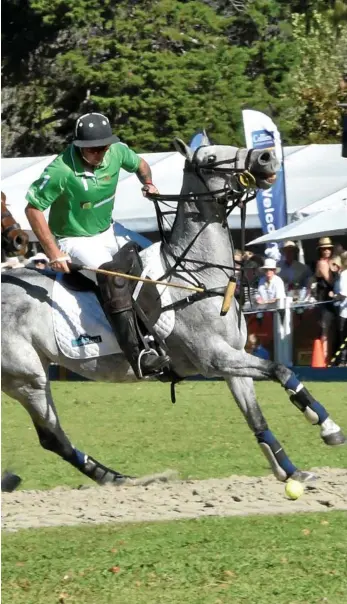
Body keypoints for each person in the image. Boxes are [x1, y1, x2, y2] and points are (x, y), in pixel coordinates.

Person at [25, 112, 169, 378]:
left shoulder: (116, 152)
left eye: (104, 147)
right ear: (79, 146)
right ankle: (137, 354)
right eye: (93, 149)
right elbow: (33, 209)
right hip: (75, 239)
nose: (100, 154)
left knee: (156, 257)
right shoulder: (61, 170)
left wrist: (148, 183)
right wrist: (54, 253)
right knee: (113, 278)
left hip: (110, 229)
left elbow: (141, 164)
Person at [314, 236, 335, 362]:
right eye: (324, 249)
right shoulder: (322, 263)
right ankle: (324, 359)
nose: (327, 250)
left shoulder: (330, 262)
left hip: (332, 301)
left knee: (331, 331)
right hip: (324, 301)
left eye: (329, 248)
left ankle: (329, 357)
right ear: (320, 250)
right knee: (325, 332)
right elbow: (331, 281)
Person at [329, 253, 347, 366]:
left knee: (343, 339)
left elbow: (343, 295)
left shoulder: (345, 275)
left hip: (345, 313)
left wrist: (333, 297)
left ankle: (343, 362)